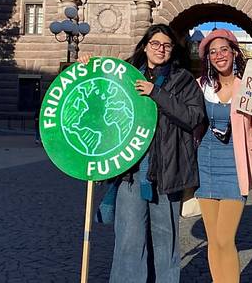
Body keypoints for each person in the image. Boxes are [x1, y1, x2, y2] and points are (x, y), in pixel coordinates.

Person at [82, 24, 205, 283]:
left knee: (165, 244)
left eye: (167, 45)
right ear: (145, 46)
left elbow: (193, 117)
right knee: (128, 242)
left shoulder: (184, 80)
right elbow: (97, 98)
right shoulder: (126, 75)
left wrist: (156, 93)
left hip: (168, 174)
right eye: (156, 44)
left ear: (174, 50)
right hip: (131, 173)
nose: (161, 49)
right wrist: (87, 68)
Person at [195, 29, 252, 283]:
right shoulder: (201, 85)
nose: (219, 55)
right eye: (212, 52)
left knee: (225, 238)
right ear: (208, 58)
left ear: (234, 52)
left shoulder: (250, 86)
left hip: (234, 166)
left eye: (223, 49)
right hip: (205, 164)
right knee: (213, 239)